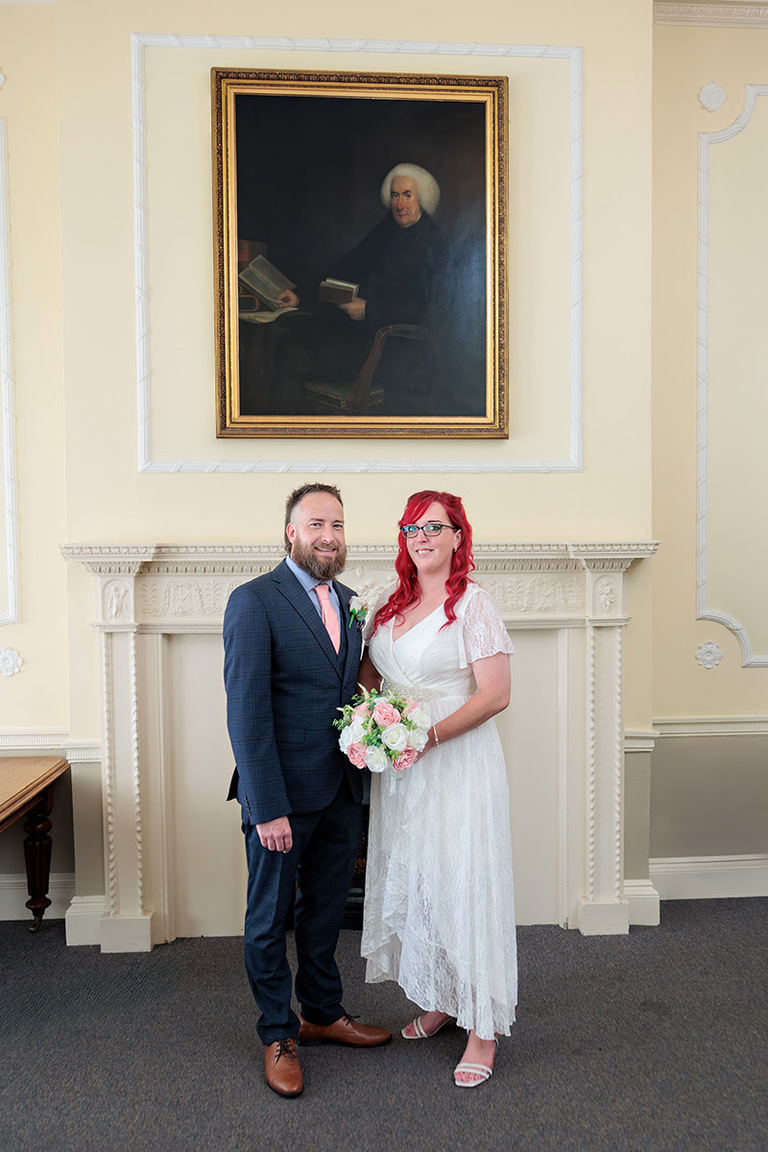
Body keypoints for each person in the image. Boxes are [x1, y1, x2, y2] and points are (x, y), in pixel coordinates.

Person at [223, 483, 391, 1099]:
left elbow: (353, 696)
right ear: (290, 532)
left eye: (338, 525)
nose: (329, 535)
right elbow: (246, 713)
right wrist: (265, 806)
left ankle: (322, 1013)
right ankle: (278, 1032)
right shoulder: (253, 601)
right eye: (316, 523)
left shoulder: (352, 602)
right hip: (281, 799)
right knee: (270, 919)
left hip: (342, 792)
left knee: (323, 912)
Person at [359, 489, 517, 1088]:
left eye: (434, 527)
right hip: (403, 770)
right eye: (411, 527)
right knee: (422, 877)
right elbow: (373, 678)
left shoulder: (473, 605)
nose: (421, 536)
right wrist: (372, 725)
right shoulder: (388, 605)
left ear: (457, 537)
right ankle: (442, 996)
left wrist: (429, 736)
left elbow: (495, 693)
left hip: (455, 762)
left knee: (464, 879)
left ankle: (483, 1026)